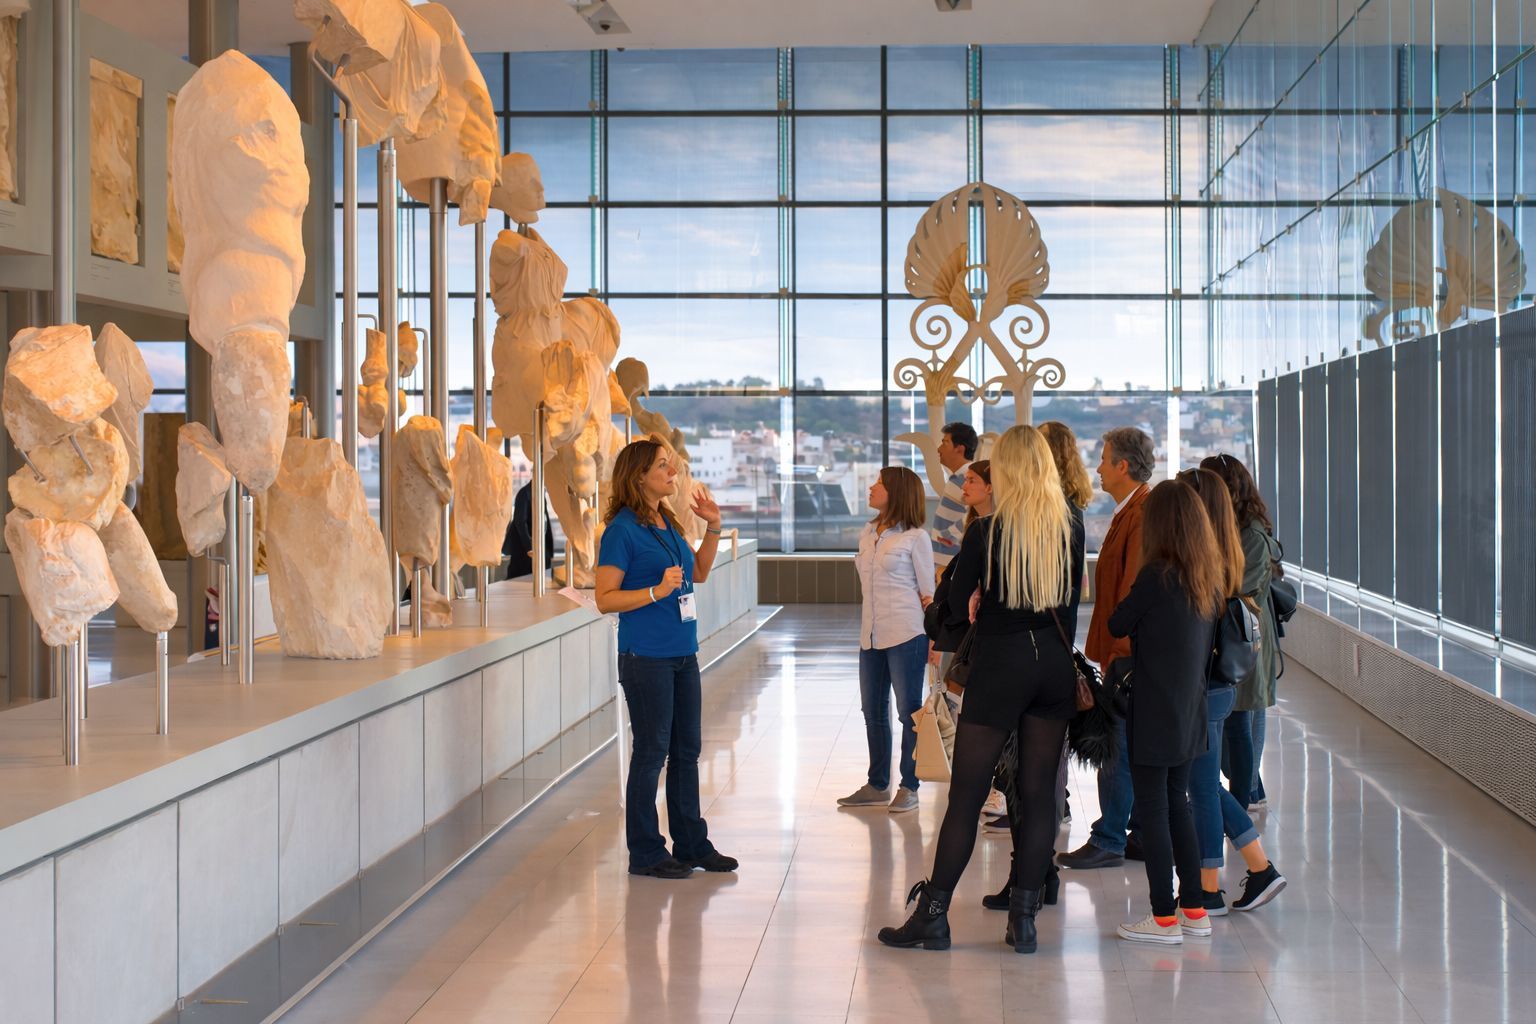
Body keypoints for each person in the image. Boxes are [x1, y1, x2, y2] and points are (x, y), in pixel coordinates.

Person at [876, 425, 1080, 955]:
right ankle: (1025, 919)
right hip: (1054, 666)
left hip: (1001, 665)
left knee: (967, 793)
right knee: (1039, 797)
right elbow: (1071, 603)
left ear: (1006, 470)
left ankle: (934, 915)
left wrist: (961, 606)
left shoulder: (988, 531)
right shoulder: (1072, 524)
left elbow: (951, 603)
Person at [594, 439, 737, 879]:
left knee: (686, 752)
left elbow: (698, 573)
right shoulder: (621, 530)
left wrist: (713, 527)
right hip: (646, 657)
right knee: (652, 753)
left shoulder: (665, 520)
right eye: (663, 467)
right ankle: (646, 852)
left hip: (682, 654)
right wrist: (655, 591)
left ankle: (692, 844)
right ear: (639, 475)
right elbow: (605, 598)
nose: (672, 473)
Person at [1109, 480, 1224, 943]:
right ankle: (1194, 909)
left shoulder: (1156, 575)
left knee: (1153, 811)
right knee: (1180, 806)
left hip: (1154, 712)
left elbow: (1118, 622)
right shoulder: (1206, 577)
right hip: (1190, 712)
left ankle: (1162, 918)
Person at [1178, 468, 1288, 914]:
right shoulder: (1225, 549)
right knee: (1201, 782)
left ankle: (1225, 882)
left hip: (1210, 678)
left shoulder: (1224, 554)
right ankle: (1243, 872)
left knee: (1203, 781)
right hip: (1216, 680)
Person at [1058, 426, 1155, 871]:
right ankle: (1131, 831)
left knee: (1114, 748)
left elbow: (1135, 590)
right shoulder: (1128, 509)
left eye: (1103, 458)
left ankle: (1111, 836)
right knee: (1123, 746)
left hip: (1126, 652)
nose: (1096, 467)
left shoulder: (1141, 512)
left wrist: (1118, 651)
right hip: (1118, 648)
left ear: (1123, 465)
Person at [839, 466, 935, 814]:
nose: (871, 487)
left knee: (909, 711)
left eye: (879, 483)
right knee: (871, 711)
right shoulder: (868, 533)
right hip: (871, 635)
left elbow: (928, 592)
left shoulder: (915, 538)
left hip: (906, 633)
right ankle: (877, 784)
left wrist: (934, 640)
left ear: (896, 491)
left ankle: (910, 785)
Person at [1201, 453, 1281, 812]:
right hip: (1229, 636)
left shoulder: (1251, 535)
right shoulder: (1228, 529)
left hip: (1244, 639)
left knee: (1245, 716)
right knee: (1237, 719)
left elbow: (1234, 588)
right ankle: (1250, 790)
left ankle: (1246, 793)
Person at [930, 422, 979, 575]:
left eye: (945, 443)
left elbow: (977, 515)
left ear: (960, 448)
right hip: (944, 562)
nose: (939, 449)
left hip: (951, 564)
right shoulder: (958, 477)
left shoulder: (968, 479)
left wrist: (947, 536)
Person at [502, 480, 554, 579]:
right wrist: (529, 547)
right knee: (521, 579)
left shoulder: (539, 494)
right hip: (525, 551)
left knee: (537, 578)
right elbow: (520, 522)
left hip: (538, 549)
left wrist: (549, 550)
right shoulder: (525, 494)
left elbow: (545, 520)